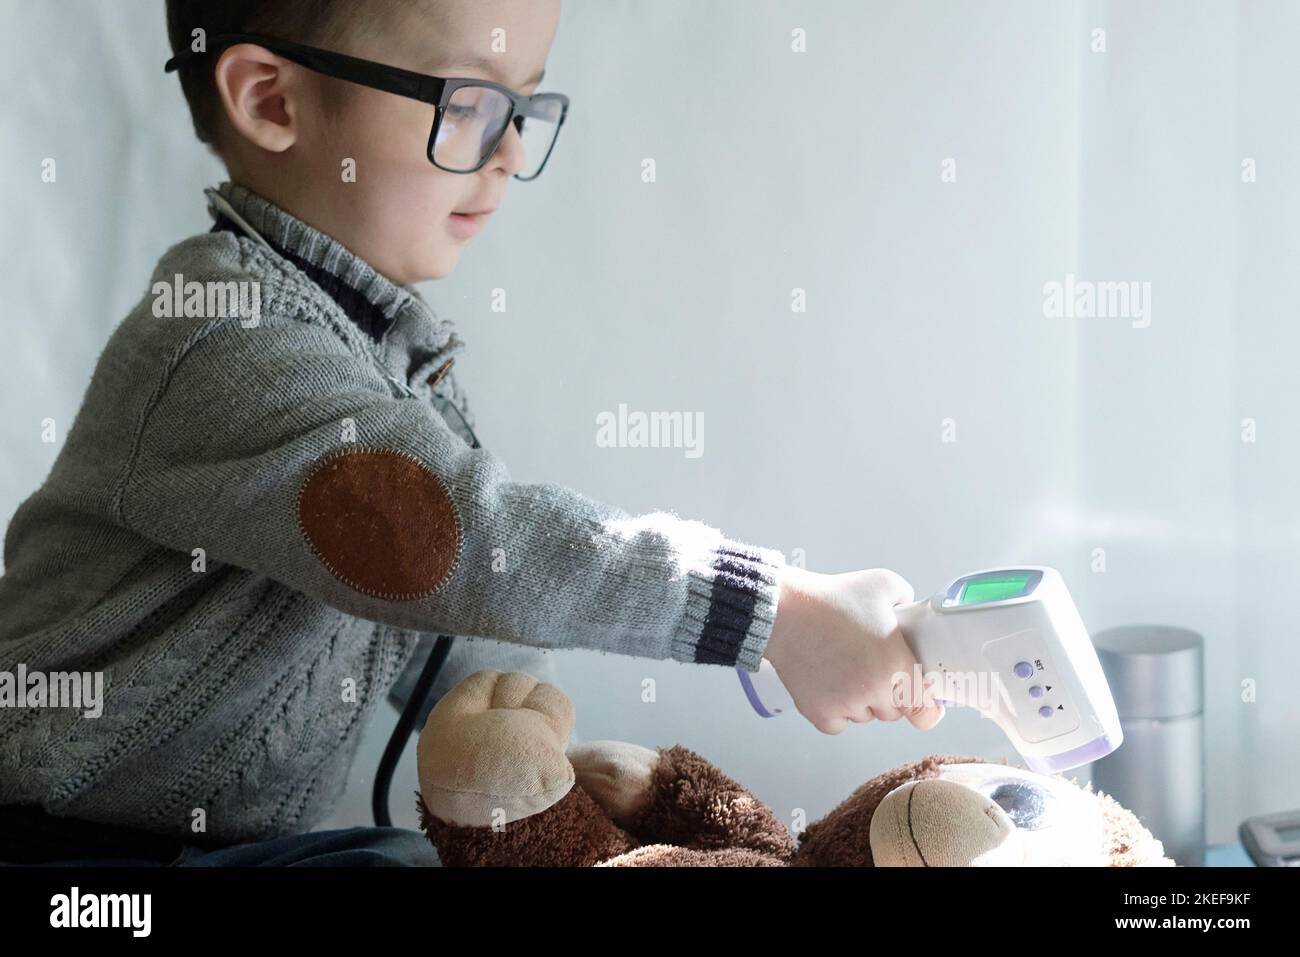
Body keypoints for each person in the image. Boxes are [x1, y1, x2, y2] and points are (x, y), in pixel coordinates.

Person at [0, 0, 943, 867]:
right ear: (270, 98)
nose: (506, 151)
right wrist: (768, 609)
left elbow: (461, 638)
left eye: (524, 108)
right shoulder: (223, 332)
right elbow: (456, 539)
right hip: (55, 846)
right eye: (471, 104)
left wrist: (546, 773)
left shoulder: (378, 355)